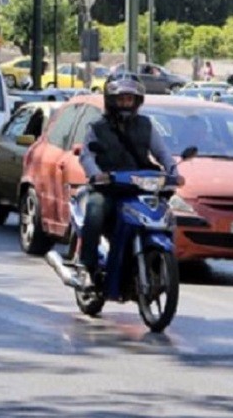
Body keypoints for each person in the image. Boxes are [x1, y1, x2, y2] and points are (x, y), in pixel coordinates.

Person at [76, 77, 181, 292]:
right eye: (121, 99)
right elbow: (87, 156)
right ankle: (87, 267)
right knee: (95, 211)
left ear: (137, 101)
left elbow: (161, 153)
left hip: (138, 188)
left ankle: (147, 265)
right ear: (111, 101)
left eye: (130, 99)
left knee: (162, 212)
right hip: (108, 188)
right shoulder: (97, 128)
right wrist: (97, 175)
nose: (126, 103)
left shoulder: (146, 125)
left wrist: (173, 172)